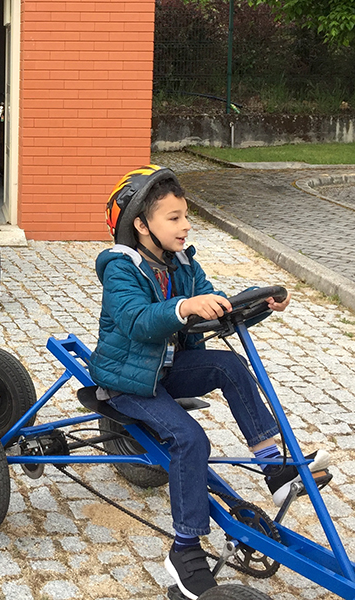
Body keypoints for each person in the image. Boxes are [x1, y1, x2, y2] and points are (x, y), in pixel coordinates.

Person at [87, 165, 332, 600]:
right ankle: (184, 549)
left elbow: (218, 307)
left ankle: (274, 468)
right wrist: (184, 308)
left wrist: (259, 301)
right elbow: (137, 321)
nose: (185, 226)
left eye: (186, 216)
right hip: (127, 380)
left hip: (164, 369)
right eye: (174, 217)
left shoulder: (183, 263)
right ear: (142, 226)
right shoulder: (120, 269)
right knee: (190, 439)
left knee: (230, 367)